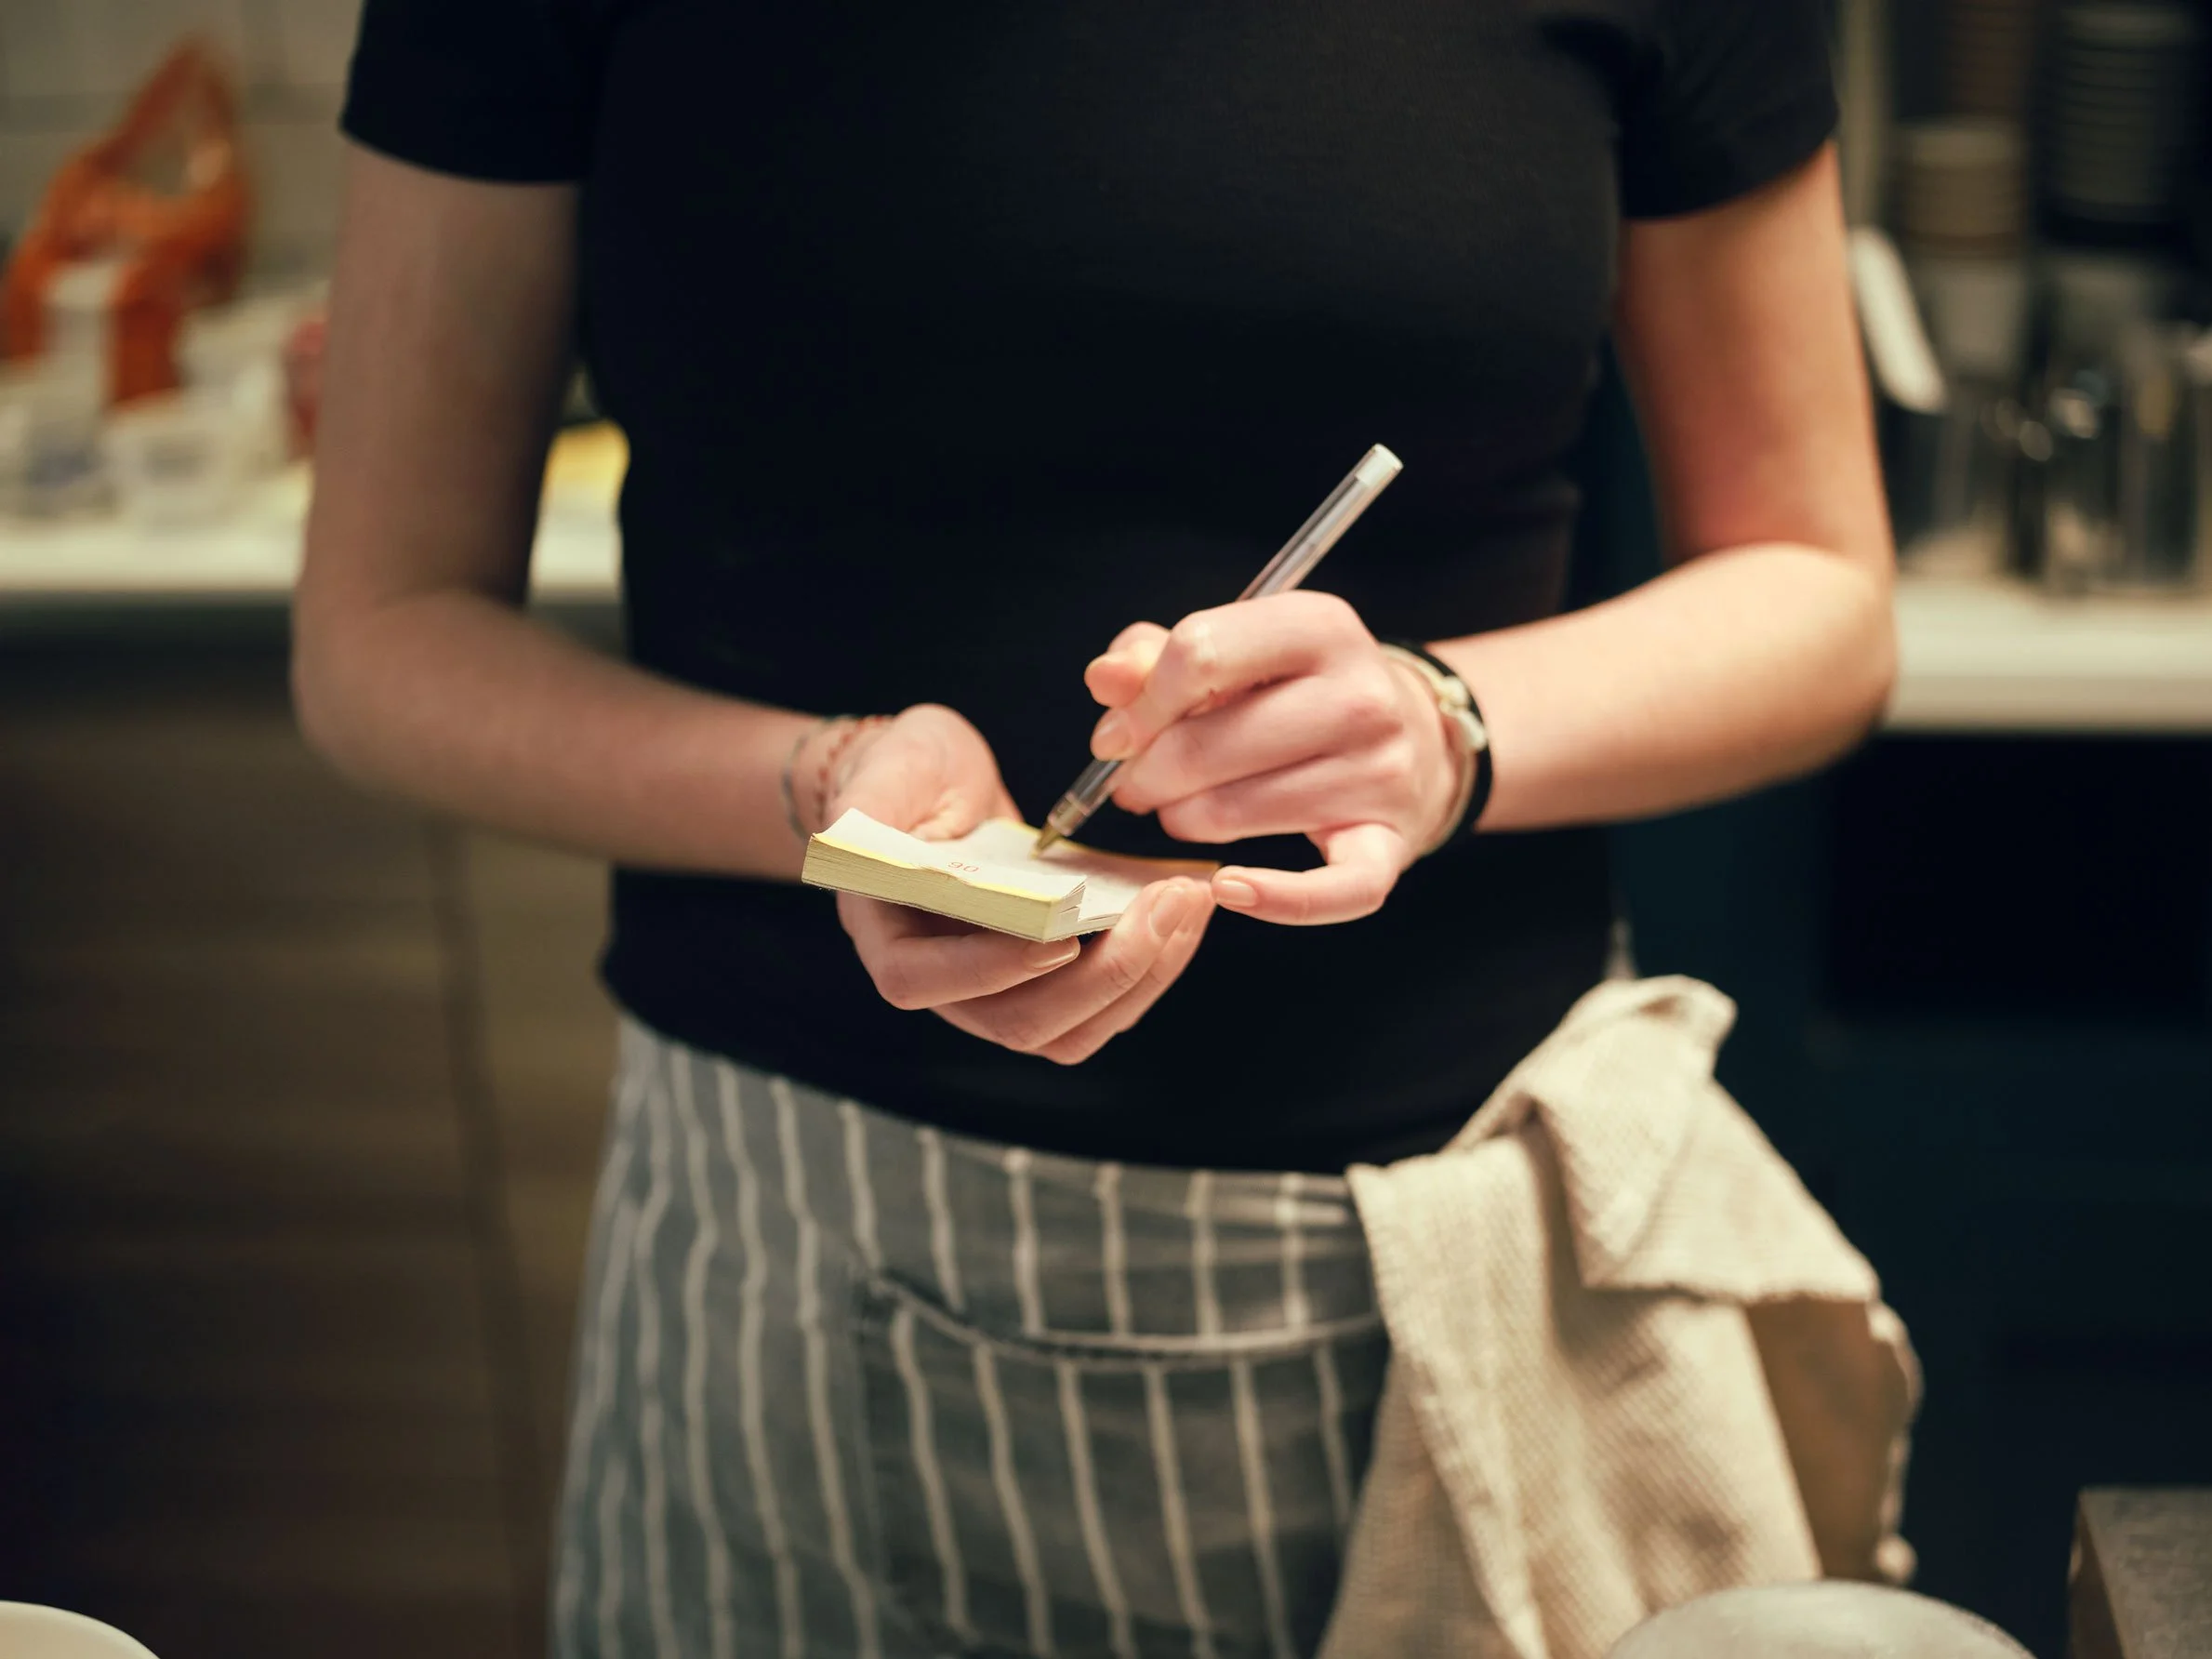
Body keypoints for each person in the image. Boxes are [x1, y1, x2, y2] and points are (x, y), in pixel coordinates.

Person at [296, 3, 1895, 1655]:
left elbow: (1820, 595)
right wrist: (823, 790)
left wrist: (1441, 729)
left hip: (1451, 1248)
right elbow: (382, 634)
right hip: (793, 1268)